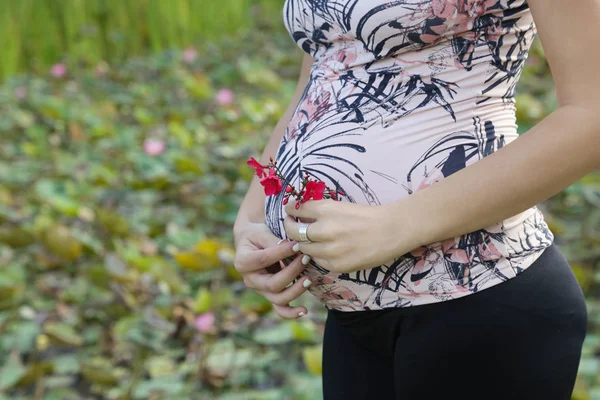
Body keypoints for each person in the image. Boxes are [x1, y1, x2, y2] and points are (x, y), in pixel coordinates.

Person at [233, 1, 596, 399]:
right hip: (354, 317)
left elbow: (591, 114)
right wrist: (253, 216)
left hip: (480, 298)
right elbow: (327, 69)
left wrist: (399, 224)